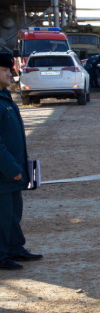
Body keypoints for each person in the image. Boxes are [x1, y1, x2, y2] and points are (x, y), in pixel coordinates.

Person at [0, 52, 41, 270]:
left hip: (12, 169)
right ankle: (1, 254)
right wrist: (11, 168)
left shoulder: (5, 97)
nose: (10, 74)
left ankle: (15, 247)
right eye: (5, 70)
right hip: (4, 172)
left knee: (14, 212)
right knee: (3, 215)